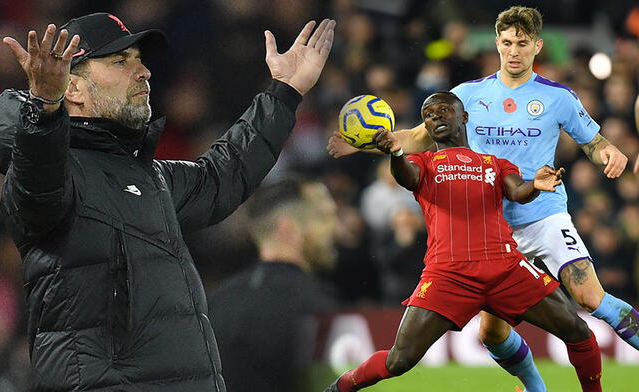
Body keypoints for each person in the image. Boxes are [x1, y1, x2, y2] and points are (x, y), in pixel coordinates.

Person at [0, 12, 335, 392]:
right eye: (120, 61)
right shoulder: (47, 173)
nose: (143, 72)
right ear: (72, 88)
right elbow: (38, 179)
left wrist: (285, 92)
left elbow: (222, 176)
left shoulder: (150, 176)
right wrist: (42, 110)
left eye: (140, 59)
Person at [328, 6, 636, 391]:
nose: (514, 52)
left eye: (523, 44)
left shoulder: (559, 97)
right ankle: (536, 388)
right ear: (497, 43)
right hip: (490, 229)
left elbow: (594, 142)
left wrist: (608, 151)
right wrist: (364, 145)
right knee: (492, 335)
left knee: (589, 296)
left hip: (542, 214)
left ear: (537, 45)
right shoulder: (466, 96)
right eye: (507, 43)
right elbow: (412, 139)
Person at [324, 91, 602, 392]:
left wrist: (535, 185)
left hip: (505, 268)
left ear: (464, 117)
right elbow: (406, 177)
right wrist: (396, 153)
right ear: (426, 128)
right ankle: (341, 386)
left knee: (578, 331)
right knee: (399, 361)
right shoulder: (422, 162)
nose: (436, 117)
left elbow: (517, 192)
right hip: (448, 275)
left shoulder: (494, 163)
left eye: (444, 110)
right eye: (428, 115)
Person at [208, 178, 338, 392]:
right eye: (324, 217)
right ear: (288, 227)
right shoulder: (317, 308)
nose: (334, 229)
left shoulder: (214, 303)